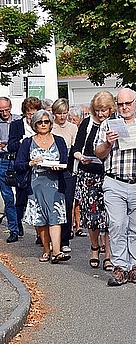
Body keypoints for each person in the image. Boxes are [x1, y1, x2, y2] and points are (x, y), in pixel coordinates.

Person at [94, 88, 136, 286]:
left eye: (128, 103)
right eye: (121, 104)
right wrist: (108, 143)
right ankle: (119, 267)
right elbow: (98, 153)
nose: (124, 107)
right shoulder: (108, 124)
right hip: (115, 182)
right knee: (117, 225)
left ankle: (135, 266)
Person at [16, 110, 70, 263]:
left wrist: (59, 167)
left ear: (50, 123)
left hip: (55, 184)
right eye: (40, 122)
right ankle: (47, 250)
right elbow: (18, 165)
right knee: (41, 219)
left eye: (46, 122)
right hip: (35, 184)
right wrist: (30, 163)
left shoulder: (59, 140)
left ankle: (57, 251)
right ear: (34, 124)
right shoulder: (28, 142)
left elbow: (66, 162)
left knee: (55, 217)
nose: (43, 125)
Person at [70, 91, 115, 271]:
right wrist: (81, 157)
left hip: (109, 174)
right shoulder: (88, 123)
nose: (101, 114)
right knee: (93, 217)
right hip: (89, 175)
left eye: (104, 110)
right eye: (97, 110)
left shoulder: (114, 124)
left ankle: (109, 255)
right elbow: (76, 149)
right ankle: (95, 248)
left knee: (111, 217)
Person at [7, 97, 43, 242]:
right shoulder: (16, 125)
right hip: (22, 165)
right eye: (28, 114)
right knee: (21, 199)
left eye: (33, 114)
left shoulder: (41, 124)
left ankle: (40, 234)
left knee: (37, 199)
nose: (31, 117)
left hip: (38, 167)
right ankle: (18, 222)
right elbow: (11, 145)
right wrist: (21, 142)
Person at [51, 98, 78, 254]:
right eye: (59, 113)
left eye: (65, 113)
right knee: (53, 205)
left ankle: (65, 239)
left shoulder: (73, 128)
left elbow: (74, 149)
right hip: (52, 170)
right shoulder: (50, 127)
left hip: (68, 170)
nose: (62, 117)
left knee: (67, 204)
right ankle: (53, 239)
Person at [0, 97, 20, 230]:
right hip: (2, 160)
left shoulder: (18, 120)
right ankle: (13, 228)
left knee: (22, 194)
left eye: (7, 110)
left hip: (18, 159)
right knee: (7, 196)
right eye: (1, 111)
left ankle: (19, 222)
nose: (4, 113)